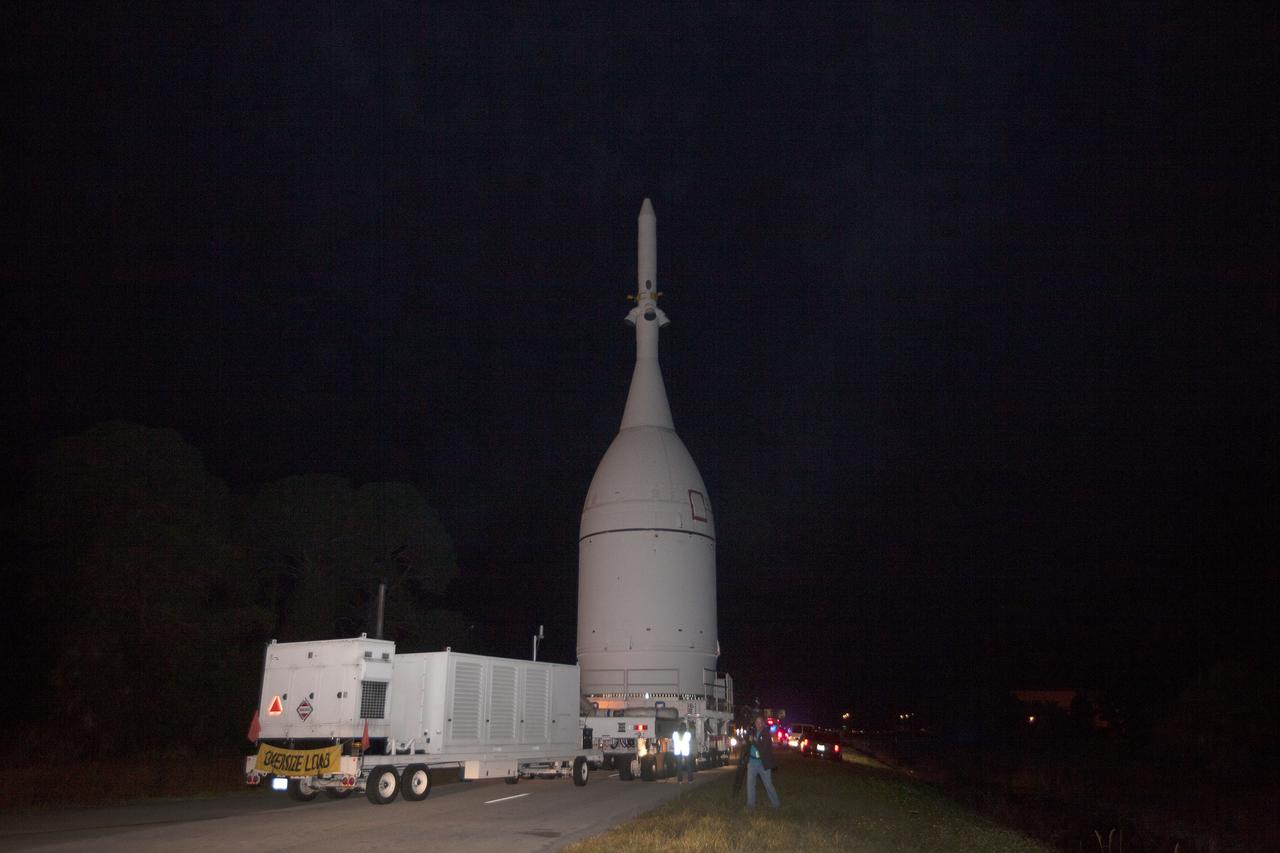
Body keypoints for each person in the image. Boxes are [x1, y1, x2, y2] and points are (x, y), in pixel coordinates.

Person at [743, 714, 780, 808]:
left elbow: (762, 748)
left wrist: (753, 741)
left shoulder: (766, 734)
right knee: (750, 784)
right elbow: (746, 740)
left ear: (763, 723)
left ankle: (776, 804)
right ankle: (751, 804)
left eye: (760, 722)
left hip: (763, 763)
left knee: (768, 784)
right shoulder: (752, 732)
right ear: (755, 723)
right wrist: (745, 740)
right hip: (752, 762)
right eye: (757, 722)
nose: (758, 724)